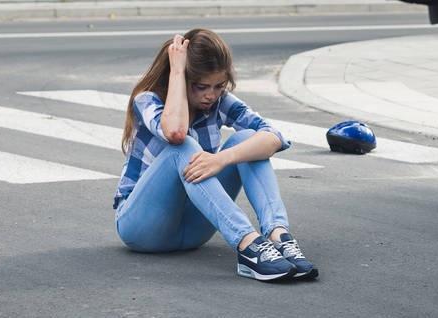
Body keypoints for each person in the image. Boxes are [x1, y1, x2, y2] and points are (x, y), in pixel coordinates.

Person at [112, 28, 316, 281]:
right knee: (182, 146)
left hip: (194, 230)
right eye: (200, 87)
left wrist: (222, 158)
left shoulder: (220, 101)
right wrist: (177, 70)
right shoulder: (148, 100)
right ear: (183, 78)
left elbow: (273, 137)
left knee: (246, 140)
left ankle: (278, 236)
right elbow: (175, 133)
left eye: (219, 86)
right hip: (143, 226)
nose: (210, 95)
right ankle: (247, 244)